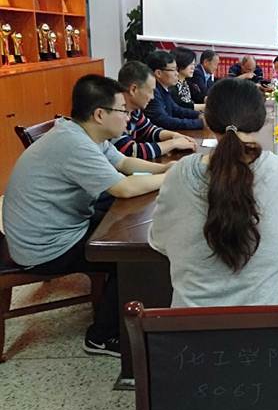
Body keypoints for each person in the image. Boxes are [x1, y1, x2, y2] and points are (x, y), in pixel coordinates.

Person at [2, 75, 171, 356]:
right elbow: (124, 187)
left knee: (127, 224)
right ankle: (101, 336)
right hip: (44, 246)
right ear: (100, 114)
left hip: (56, 224)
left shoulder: (83, 132)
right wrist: (174, 177)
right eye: (123, 110)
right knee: (133, 255)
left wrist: (165, 169)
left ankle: (130, 307)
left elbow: (124, 162)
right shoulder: (73, 143)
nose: (128, 117)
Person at [149, 78, 278, 308]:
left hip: (188, 328)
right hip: (270, 328)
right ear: (261, 121)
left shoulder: (179, 174)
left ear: (207, 120)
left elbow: (159, 238)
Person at [112, 61, 198, 159]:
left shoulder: (135, 110)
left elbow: (148, 130)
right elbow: (131, 151)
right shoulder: (114, 112)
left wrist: (174, 135)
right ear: (133, 90)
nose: (152, 97)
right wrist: (173, 143)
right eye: (150, 91)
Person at [144, 50, 204, 130]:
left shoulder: (164, 89)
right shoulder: (153, 91)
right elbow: (164, 121)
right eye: (173, 70)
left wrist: (199, 115)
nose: (177, 73)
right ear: (158, 73)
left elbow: (176, 110)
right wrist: (200, 122)